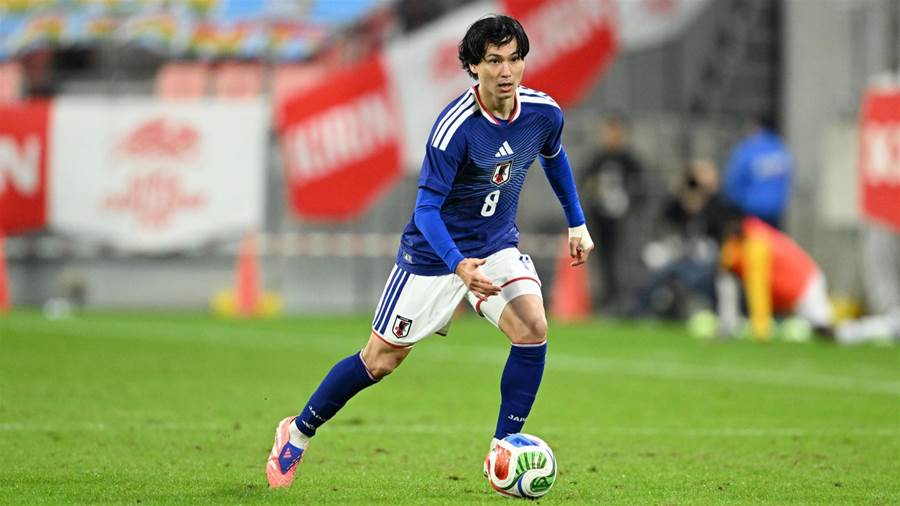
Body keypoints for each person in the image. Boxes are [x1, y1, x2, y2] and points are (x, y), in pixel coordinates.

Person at [266, 14, 594, 488]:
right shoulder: (455, 129)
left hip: (496, 247)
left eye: (515, 59)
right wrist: (457, 265)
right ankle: (297, 432)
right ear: (473, 66)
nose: (506, 71)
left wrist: (576, 223)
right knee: (379, 361)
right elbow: (425, 210)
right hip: (433, 257)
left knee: (533, 328)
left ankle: (503, 447)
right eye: (494, 61)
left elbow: (554, 156)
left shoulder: (544, 113)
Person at [709, 205, 832, 341]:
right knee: (725, 278)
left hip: (805, 285)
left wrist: (761, 329)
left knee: (824, 330)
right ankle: (727, 326)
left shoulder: (756, 242)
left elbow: (757, 287)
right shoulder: (739, 239)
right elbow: (726, 266)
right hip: (795, 287)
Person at [630, 159, 722, 318]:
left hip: (701, 261)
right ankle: (643, 309)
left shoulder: (715, 207)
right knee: (654, 259)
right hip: (677, 255)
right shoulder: (675, 206)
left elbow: (714, 242)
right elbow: (664, 228)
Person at [579, 114, 648, 313]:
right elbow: (583, 184)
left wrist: (630, 202)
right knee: (604, 262)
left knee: (626, 260)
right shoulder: (596, 160)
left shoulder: (630, 161)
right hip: (601, 219)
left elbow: (642, 188)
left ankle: (629, 302)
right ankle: (609, 301)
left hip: (625, 221)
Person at [722, 116, 793, 229]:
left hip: (751, 213)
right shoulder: (781, 149)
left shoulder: (749, 149)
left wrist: (732, 206)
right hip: (776, 213)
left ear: (758, 128)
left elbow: (734, 182)